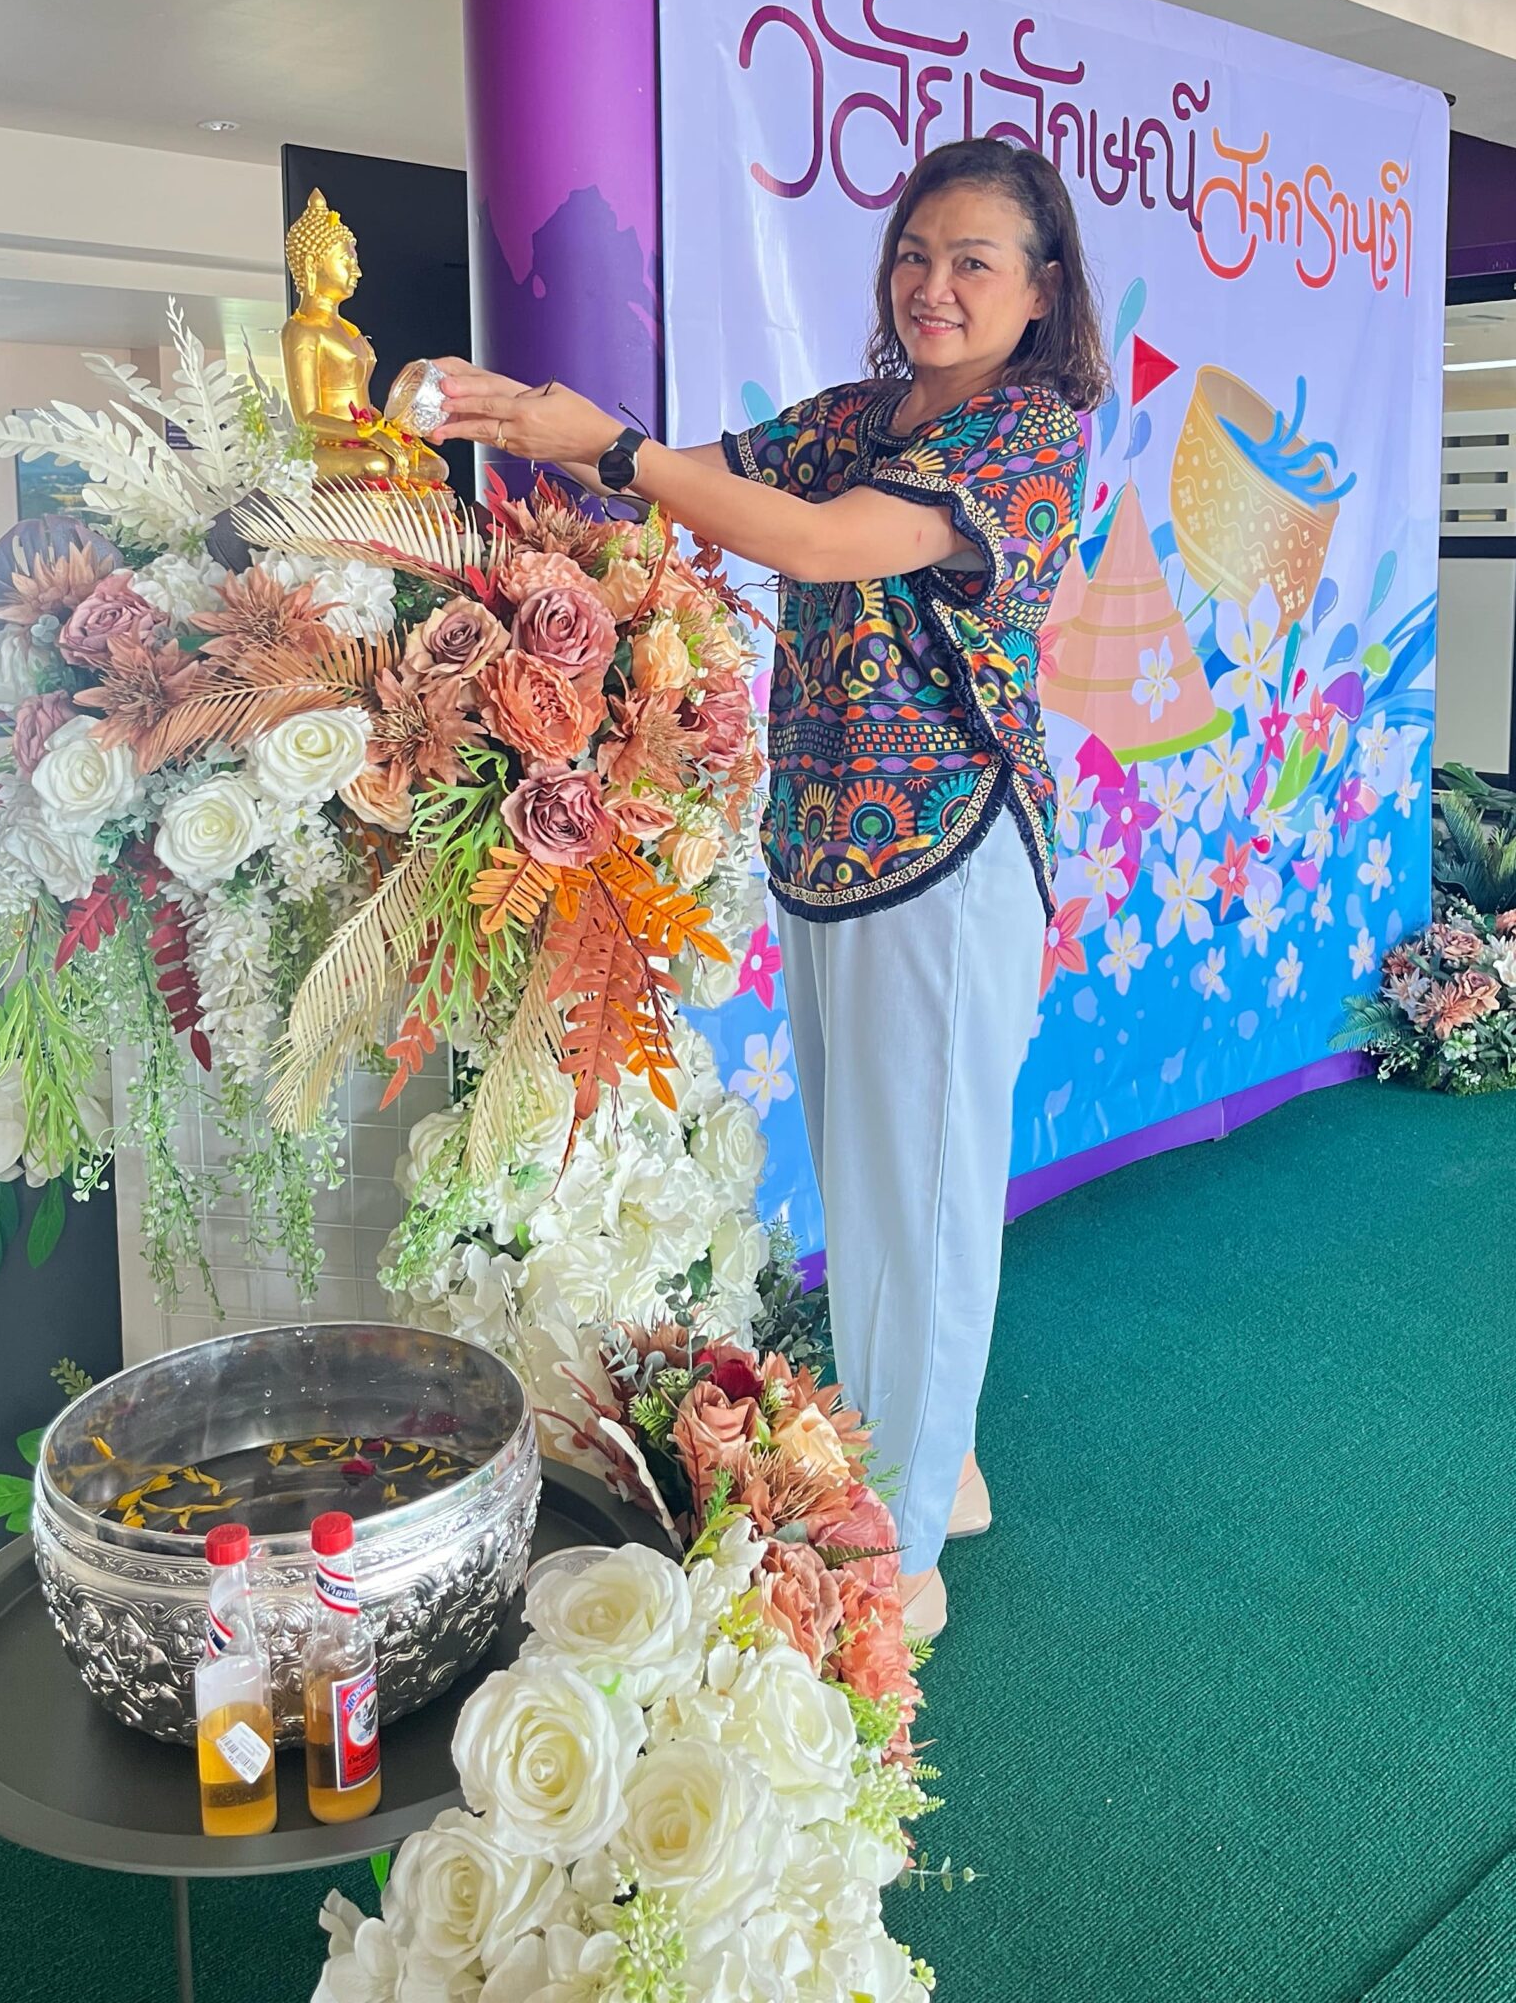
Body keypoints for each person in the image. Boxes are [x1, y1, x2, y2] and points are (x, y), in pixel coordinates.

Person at [431, 136, 1106, 1637]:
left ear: (1042, 288)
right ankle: (940, 1467)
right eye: (915, 253)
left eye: (974, 262)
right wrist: (549, 424)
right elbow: (711, 483)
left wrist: (615, 449)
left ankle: (899, 1561)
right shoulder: (866, 413)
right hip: (824, 846)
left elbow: (811, 538)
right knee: (876, 1189)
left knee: (928, 1206)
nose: (933, 286)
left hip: (945, 846)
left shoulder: (1029, 431)